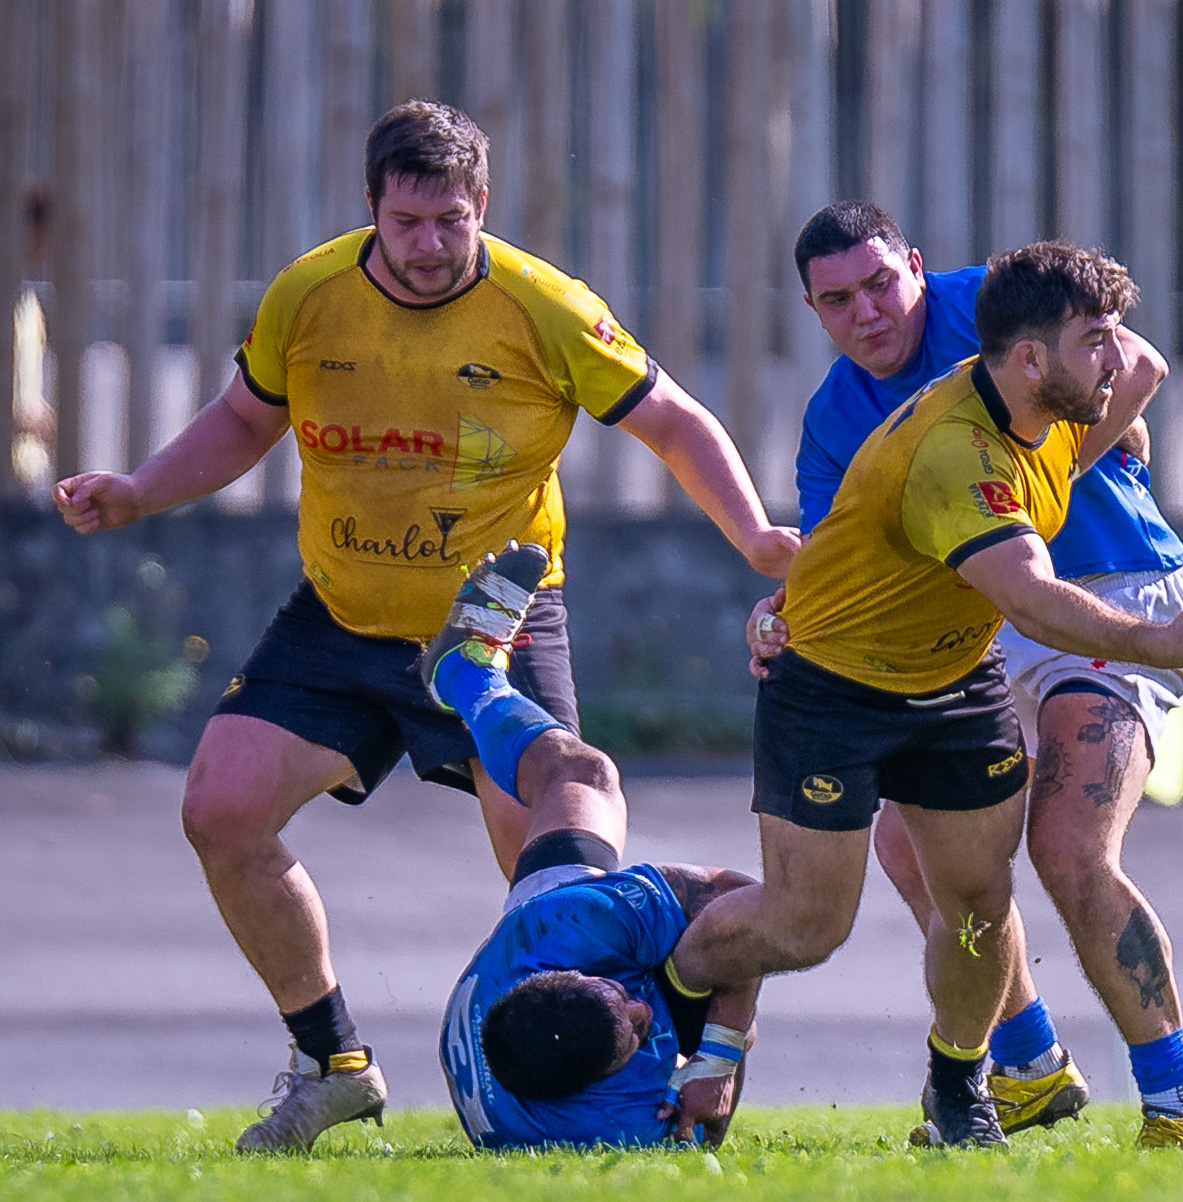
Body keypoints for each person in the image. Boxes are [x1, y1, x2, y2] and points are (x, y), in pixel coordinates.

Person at [52, 101, 797, 1153]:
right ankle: (333, 1066)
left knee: (563, 899)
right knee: (220, 808)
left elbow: (672, 419)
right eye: (407, 222)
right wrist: (139, 490)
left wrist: (755, 533)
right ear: (371, 206)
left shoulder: (545, 307)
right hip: (342, 619)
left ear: (481, 203)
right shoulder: (309, 295)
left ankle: (670, 1087)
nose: (431, 244)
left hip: (497, 619)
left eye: (452, 219)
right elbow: (243, 419)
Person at [668, 240, 1183, 1148]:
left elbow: (1140, 368)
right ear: (811, 310)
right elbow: (860, 551)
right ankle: (1028, 1066)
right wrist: (786, 609)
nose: (869, 311)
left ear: (917, 269)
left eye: (881, 283)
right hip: (978, 625)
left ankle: (1174, 1104)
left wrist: (1065, 467)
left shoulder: (997, 313)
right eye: (838, 299)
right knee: (886, 870)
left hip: (1112, 595)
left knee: (1064, 849)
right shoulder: (877, 422)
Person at [431, 544, 760, 1150]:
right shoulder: (618, 1126)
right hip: (544, 1024)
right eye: (637, 1032)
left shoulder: (564, 931)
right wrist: (717, 1060)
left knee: (583, 774)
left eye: (623, 998)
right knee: (723, 982)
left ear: (574, 974)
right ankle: (464, 677)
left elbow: (733, 894)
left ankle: (463, 674)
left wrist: (710, 1053)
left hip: (525, 949)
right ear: (603, 1082)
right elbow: (751, 920)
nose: (643, 1008)